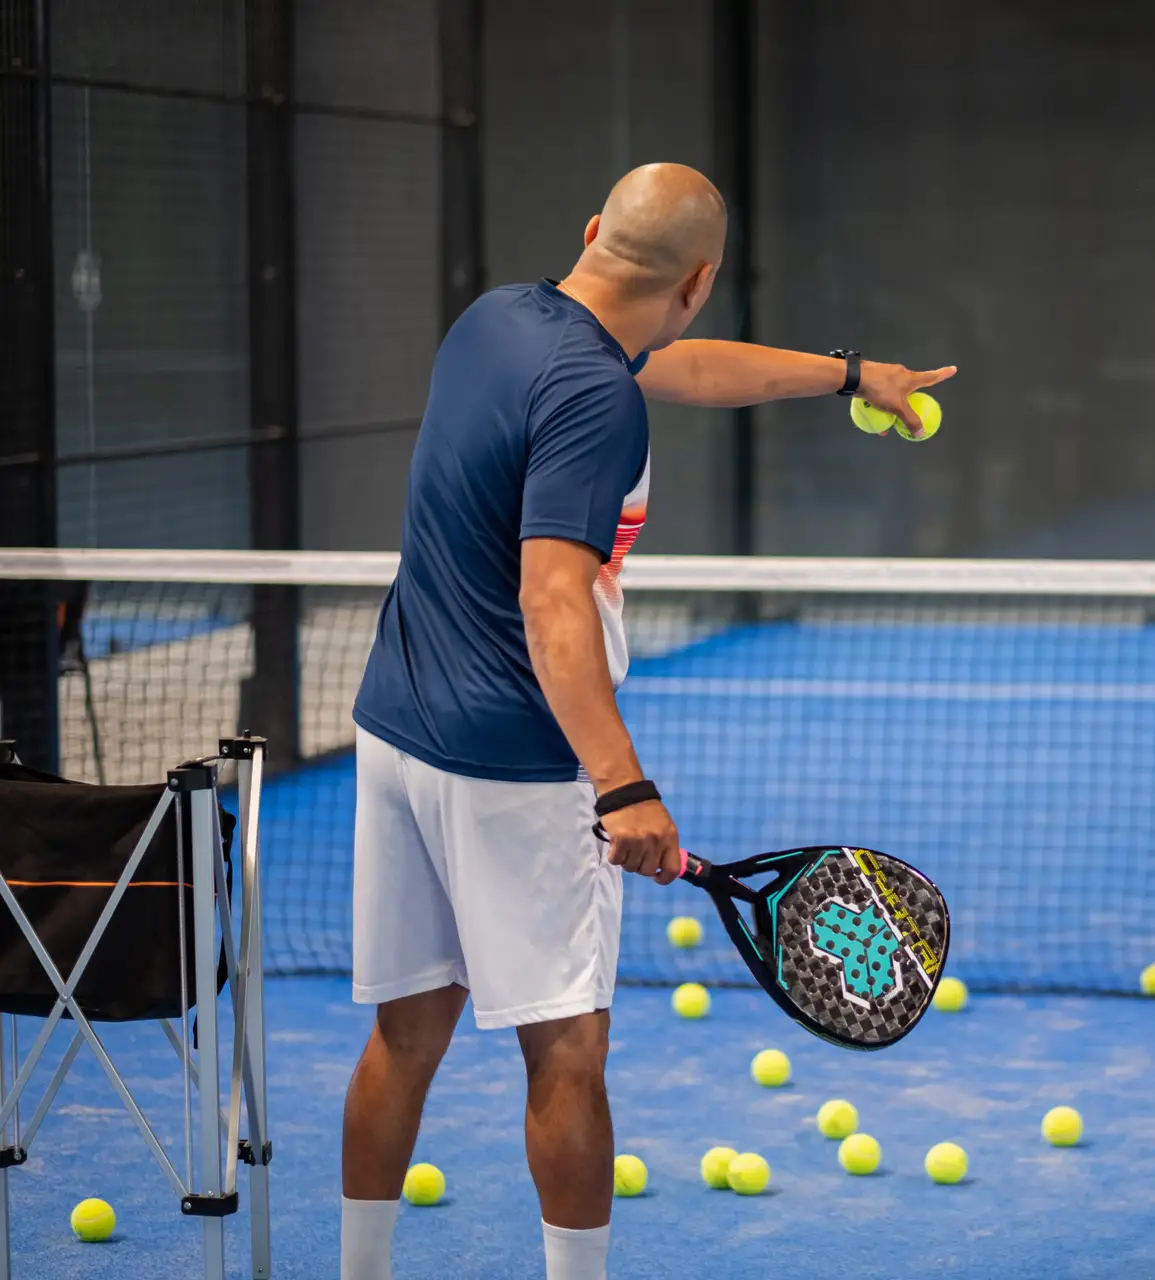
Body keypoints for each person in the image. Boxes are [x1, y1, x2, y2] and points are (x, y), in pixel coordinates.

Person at [339, 162, 954, 1280]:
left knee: (404, 1034)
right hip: (517, 763)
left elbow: (689, 365)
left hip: (393, 730)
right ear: (702, 278)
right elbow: (551, 597)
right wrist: (622, 783)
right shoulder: (595, 400)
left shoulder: (497, 323)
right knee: (569, 1052)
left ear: (591, 235)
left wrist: (854, 373)